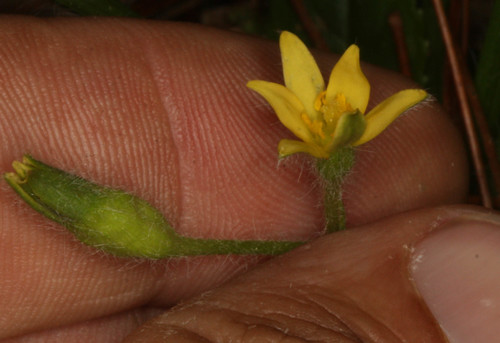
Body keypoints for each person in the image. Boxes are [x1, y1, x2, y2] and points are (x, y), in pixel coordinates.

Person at [0, 16, 497, 342]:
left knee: (172, 247)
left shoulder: (345, 132)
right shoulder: (313, 132)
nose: (336, 112)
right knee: (169, 246)